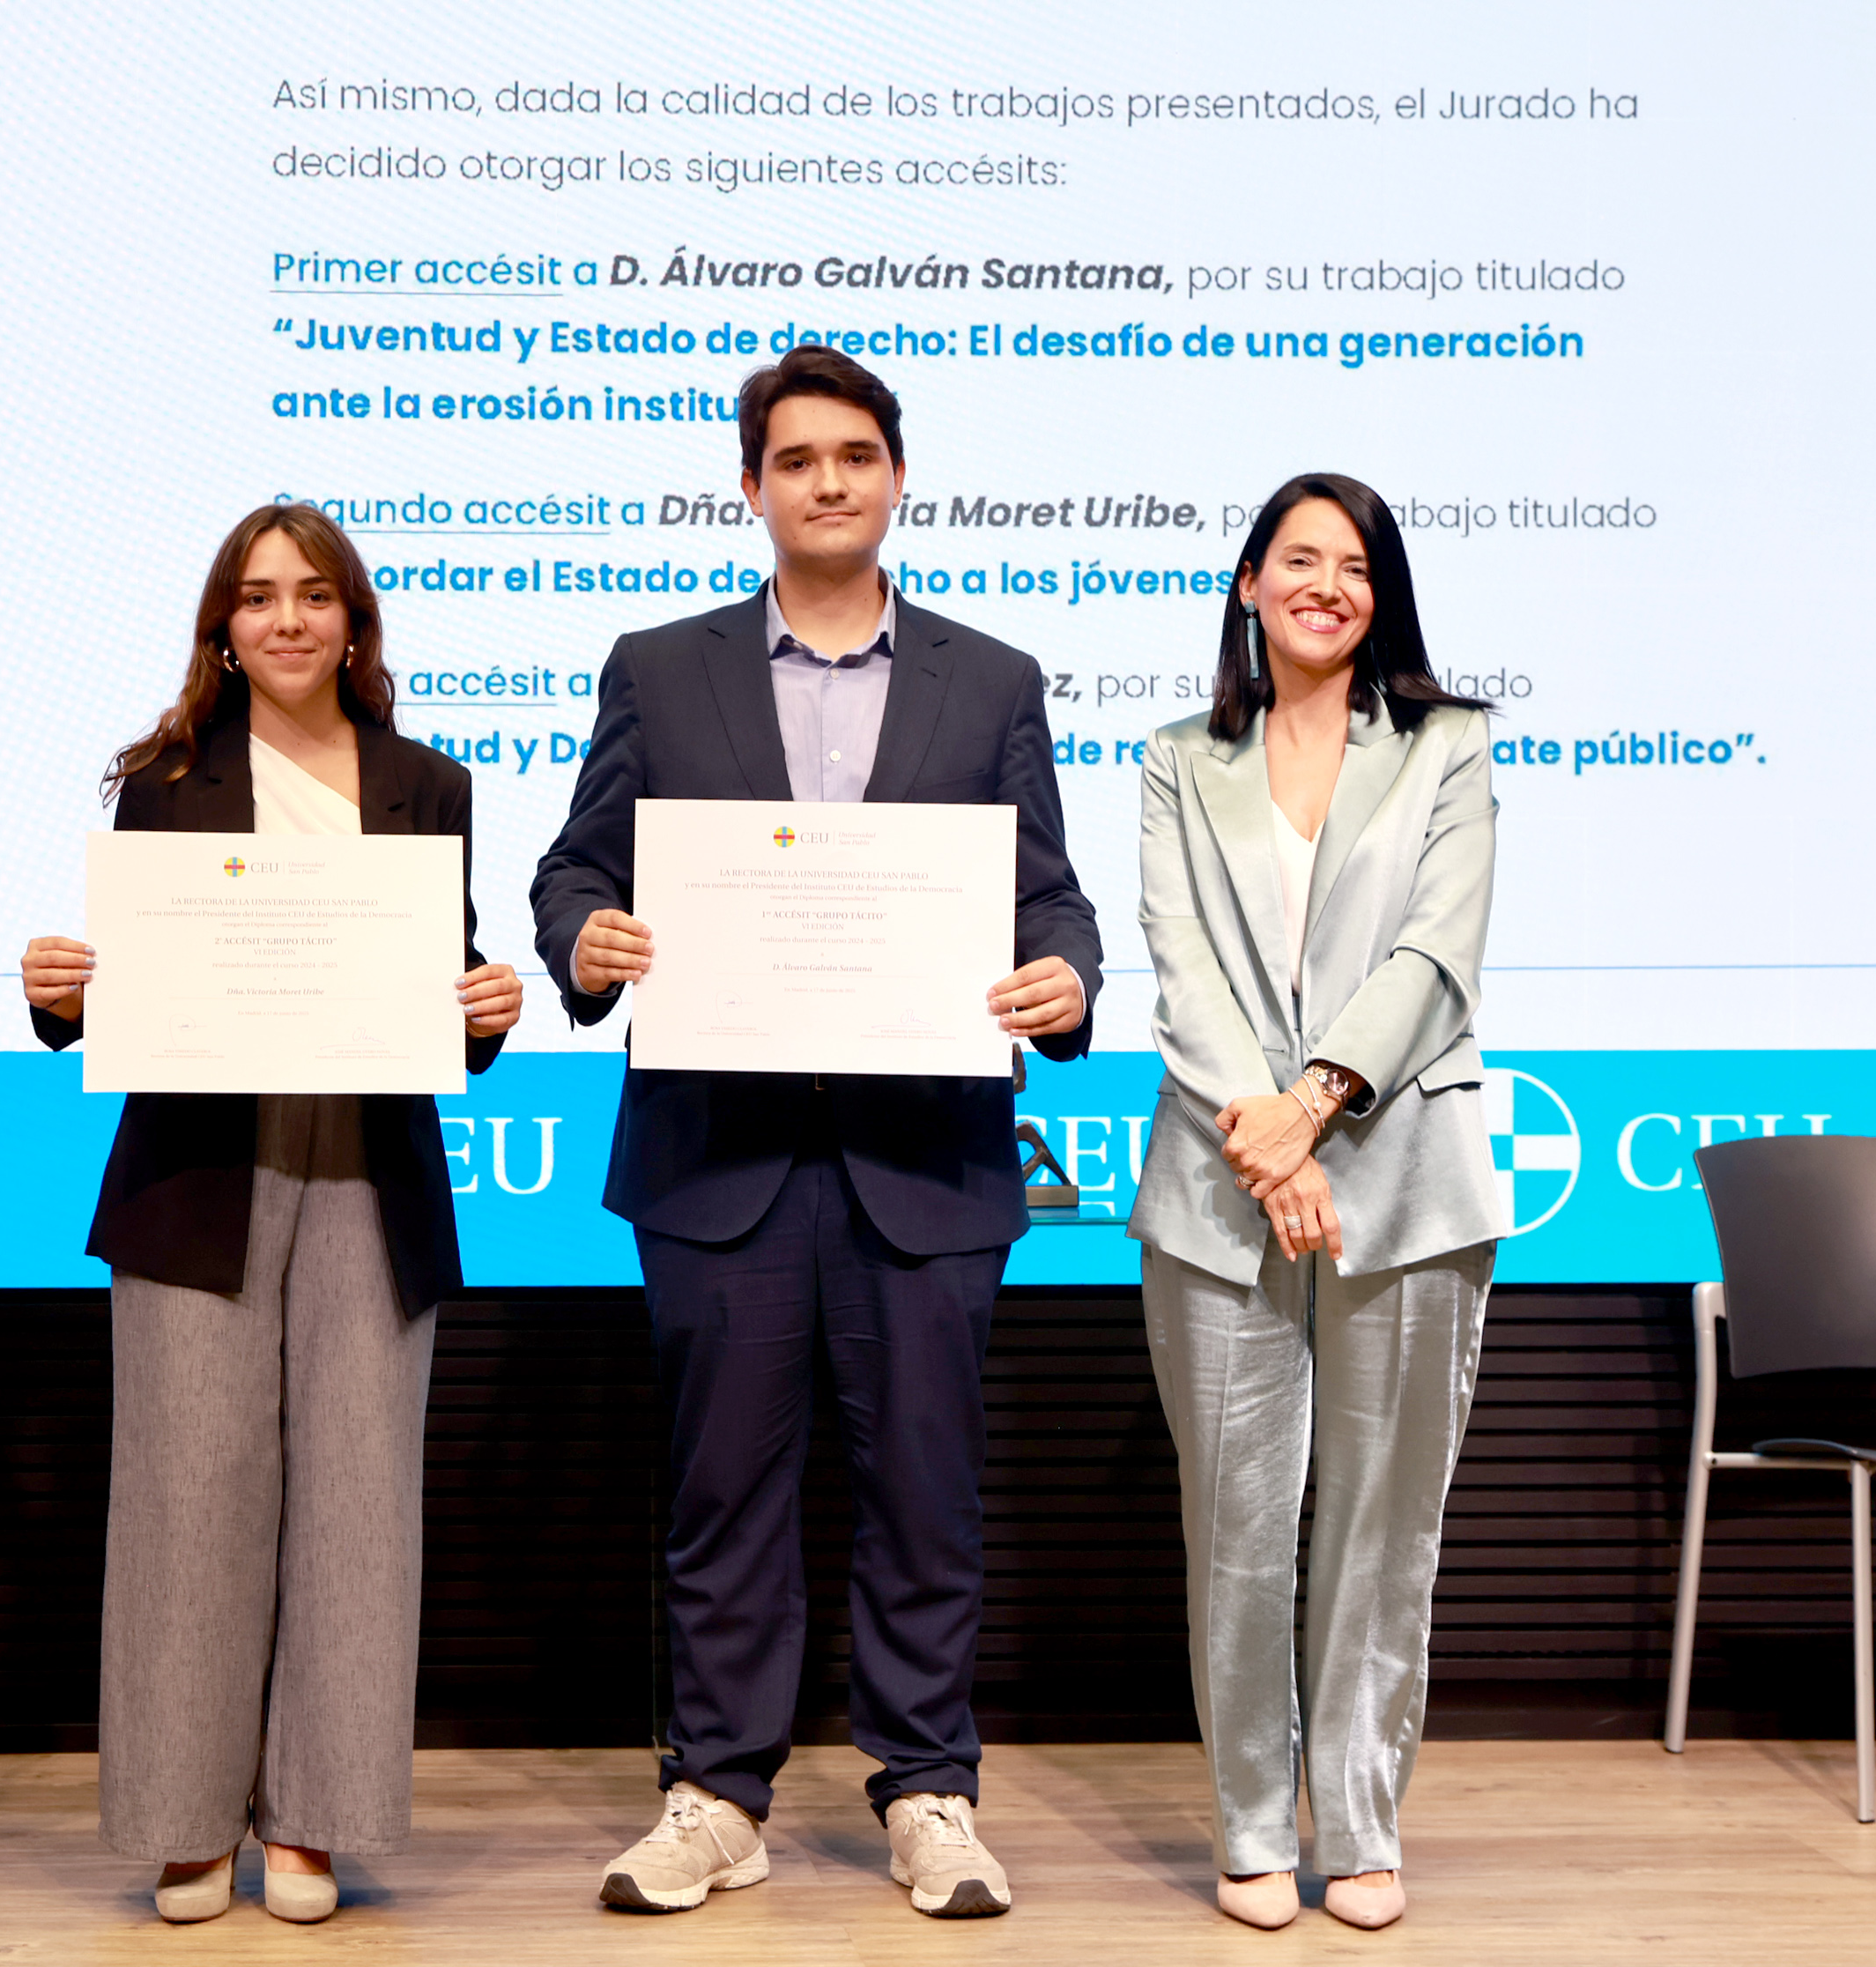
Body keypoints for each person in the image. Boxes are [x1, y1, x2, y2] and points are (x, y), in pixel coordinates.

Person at [529, 346, 1101, 1921]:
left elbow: (1045, 896)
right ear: (751, 488)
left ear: (897, 478)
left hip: (927, 1162)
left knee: (925, 1493)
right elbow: (575, 869)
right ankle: (716, 1795)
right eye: (795, 459)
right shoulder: (660, 668)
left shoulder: (993, 678)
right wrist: (586, 940)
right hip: (720, 1159)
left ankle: (928, 1790)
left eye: (854, 455)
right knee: (722, 1495)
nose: (827, 481)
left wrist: (1065, 980)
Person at [19, 504, 522, 1925]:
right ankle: (186, 1824)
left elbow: (442, 989)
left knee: (360, 1503)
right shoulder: (164, 782)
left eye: (312, 595)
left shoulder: (428, 783)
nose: (286, 619)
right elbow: (131, 987)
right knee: (186, 1498)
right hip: (197, 1178)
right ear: (222, 631)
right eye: (255, 598)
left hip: (371, 1171)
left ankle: (313, 1821)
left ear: (353, 623)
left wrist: (486, 1008)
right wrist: (62, 999)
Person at [1126, 472, 1502, 1933]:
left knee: (1378, 1531)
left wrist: (1316, 1104)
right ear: (1248, 583)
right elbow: (1180, 967)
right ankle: (1245, 1828)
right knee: (1233, 1530)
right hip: (1219, 1189)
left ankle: (1357, 1828)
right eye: (1298, 558)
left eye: (1354, 565)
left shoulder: (1448, 747)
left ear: (1378, 595)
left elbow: (1436, 952)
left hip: (1404, 1179)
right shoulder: (1178, 760)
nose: (1324, 585)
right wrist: (1267, 1140)